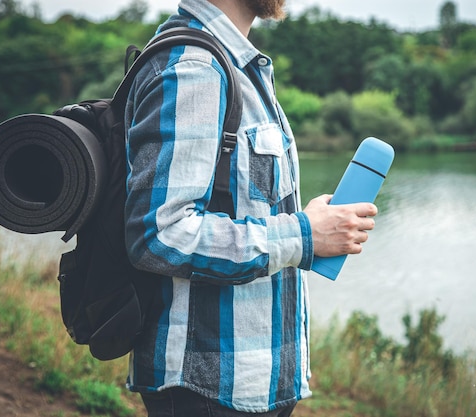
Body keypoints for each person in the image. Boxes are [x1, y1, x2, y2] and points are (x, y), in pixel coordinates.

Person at [123, 0, 378, 416]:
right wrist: (304, 234)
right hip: (207, 389)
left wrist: (310, 220)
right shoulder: (194, 68)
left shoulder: (231, 62)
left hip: (244, 382)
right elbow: (161, 234)